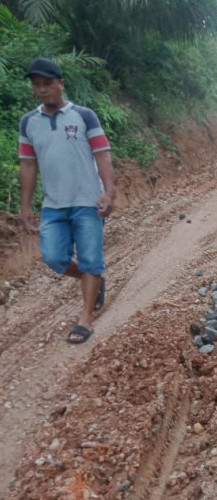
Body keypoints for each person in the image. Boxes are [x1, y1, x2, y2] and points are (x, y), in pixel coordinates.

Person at [18, 57, 116, 344]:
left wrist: (109, 191)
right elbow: (27, 165)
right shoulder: (28, 122)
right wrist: (25, 207)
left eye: (47, 84)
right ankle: (94, 280)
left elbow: (102, 154)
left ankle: (85, 318)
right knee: (54, 257)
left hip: (87, 201)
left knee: (90, 260)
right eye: (37, 85)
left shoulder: (84, 116)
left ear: (61, 84)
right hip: (53, 205)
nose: (42, 90)